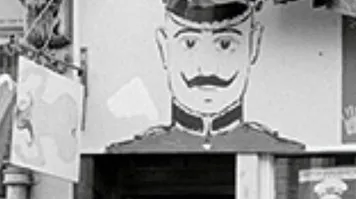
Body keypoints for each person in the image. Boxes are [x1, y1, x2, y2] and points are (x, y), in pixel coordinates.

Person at [107, 0, 303, 153]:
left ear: (254, 44)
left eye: (225, 44)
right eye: (190, 43)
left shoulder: (284, 151)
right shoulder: (130, 151)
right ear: (164, 47)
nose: (207, 68)